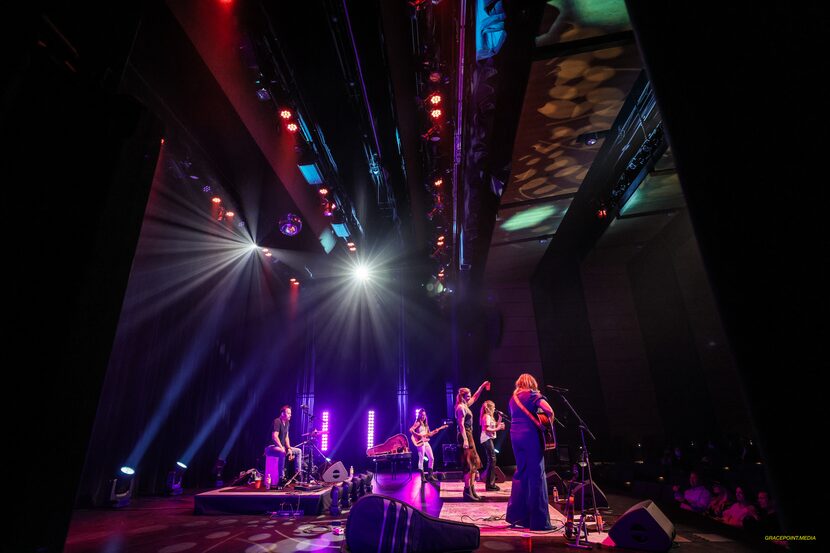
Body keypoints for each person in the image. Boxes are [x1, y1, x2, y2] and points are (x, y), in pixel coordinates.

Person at [506, 373, 555, 531]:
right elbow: (549, 411)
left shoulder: (513, 398)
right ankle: (539, 522)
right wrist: (548, 427)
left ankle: (519, 518)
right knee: (537, 475)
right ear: (532, 383)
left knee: (521, 473)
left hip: (515, 435)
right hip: (530, 435)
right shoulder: (533, 395)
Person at [456, 381, 490, 501]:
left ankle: (472, 490)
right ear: (462, 396)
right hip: (465, 435)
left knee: (474, 464)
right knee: (468, 464)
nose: (470, 397)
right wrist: (465, 440)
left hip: (469, 435)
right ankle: (467, 491)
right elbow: (461, 425)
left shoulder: (465, 405)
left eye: (469, 395)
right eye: (467, 395)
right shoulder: (460, 408)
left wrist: (481, 386)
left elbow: (475, 397)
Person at [270, 405, 302, 487]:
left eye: (290, 413)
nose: (290, 415)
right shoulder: (277, 421)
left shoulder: (287, 423)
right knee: (282, 451)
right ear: (282, 413)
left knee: (298, 451)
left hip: (282, 447)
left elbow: (286, 437)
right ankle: (281, 477)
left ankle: (298, 473)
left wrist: (289, 448)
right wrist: (282, 447)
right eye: (288, 413)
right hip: (272, 447)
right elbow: (274, 436)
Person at [479, 400, 505, 491]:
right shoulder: (486, 416)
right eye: (493, 407)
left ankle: (491, 484)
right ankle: (490, 485)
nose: (494, 409)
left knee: (492, 460)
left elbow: (493, 427)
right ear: (490, 408)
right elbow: (487, 429)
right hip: (486, 439)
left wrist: (500, 419)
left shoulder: (489, 417)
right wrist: (498, 428)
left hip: (488, 439)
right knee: (492, 460)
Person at [410, 409, 438, 483]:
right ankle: (422, 477)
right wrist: (418, 435)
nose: (423, 416)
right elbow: (411, 430)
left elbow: (429, 434)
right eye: (422, 415)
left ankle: (430, 476)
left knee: (431, 458)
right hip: (420, 442)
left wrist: (435, 432)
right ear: (419, 415)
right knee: (421, 458)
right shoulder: (418, 423)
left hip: (426, 442)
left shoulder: (426, 425)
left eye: (424, 415)